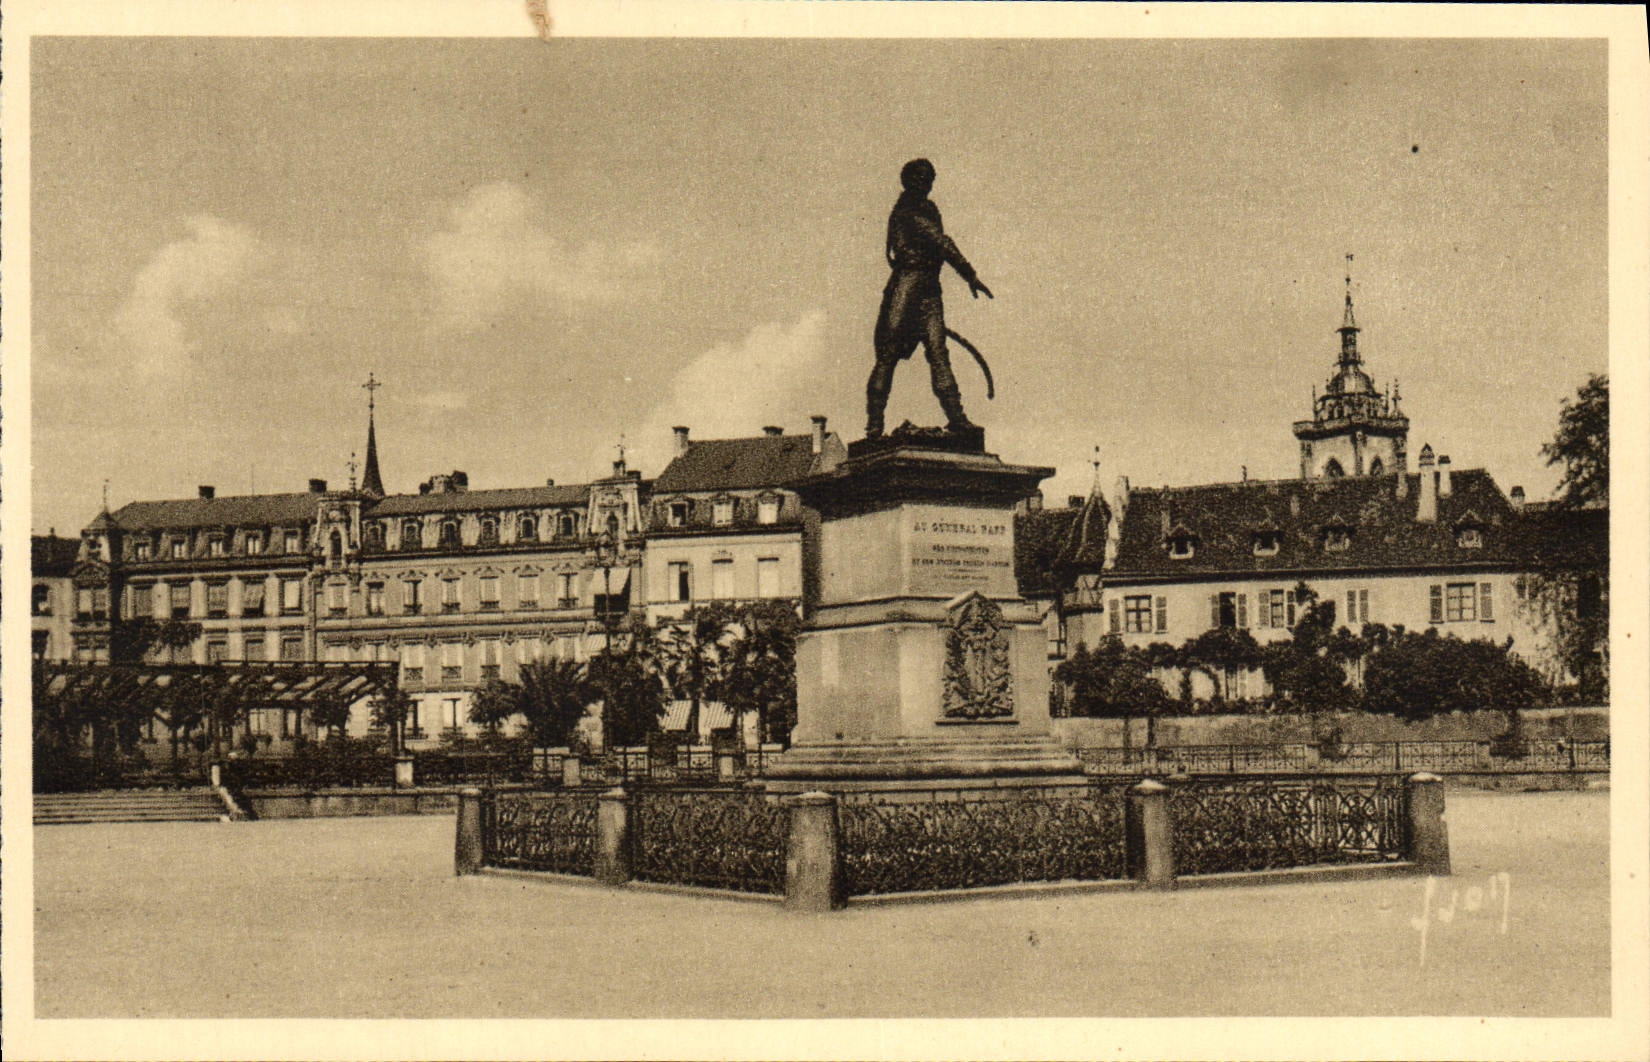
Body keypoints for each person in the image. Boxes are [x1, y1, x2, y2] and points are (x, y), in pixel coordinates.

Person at [866, 158, 993, 438]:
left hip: (928, 290)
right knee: (888, 356)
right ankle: (874, 425)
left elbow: (939, 244)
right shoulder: (908, 211)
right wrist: (970, 275)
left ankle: (957, 418)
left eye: (931, 178)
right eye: (925, 178)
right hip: (907, 287)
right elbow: (942, 242)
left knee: (938, 354)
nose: (929, 183)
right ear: (911, 180)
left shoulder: (925, 208)